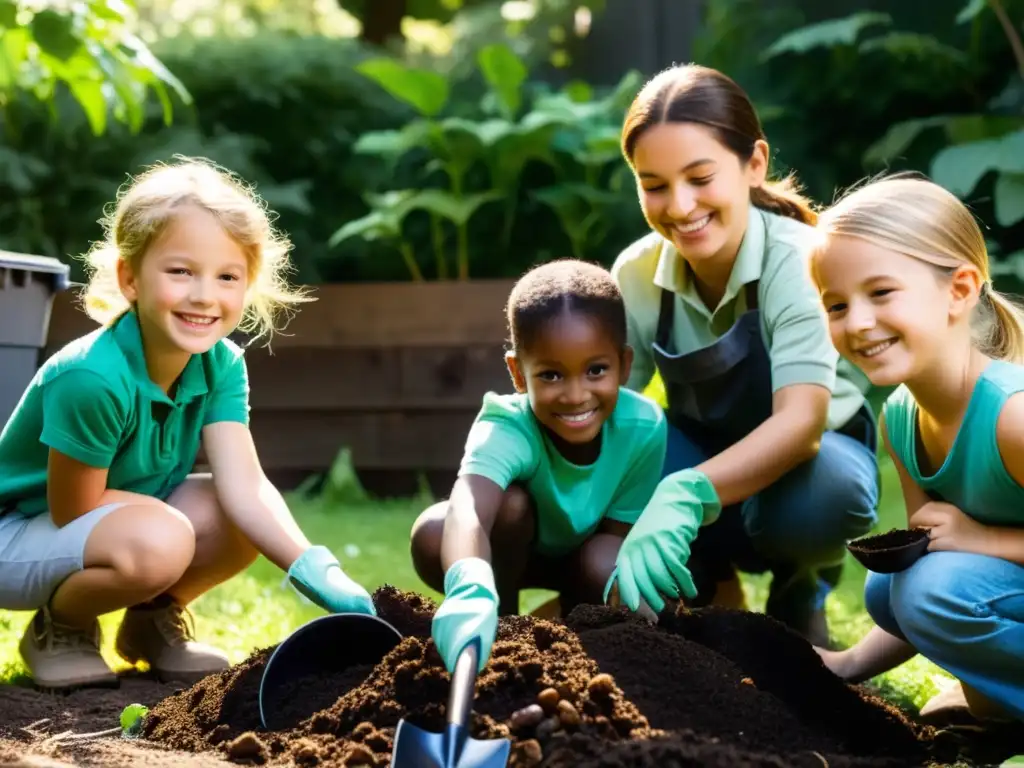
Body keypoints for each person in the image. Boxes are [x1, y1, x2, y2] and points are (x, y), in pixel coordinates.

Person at [0, 157, 377, 691]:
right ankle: (61, 630)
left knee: (232, 515)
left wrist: (315, 568)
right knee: (164, 538)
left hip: (101, 524)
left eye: (227, 277)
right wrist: (171, 530)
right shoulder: (92, 376)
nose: (205, 295)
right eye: (180, 271)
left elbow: (244, 483)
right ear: (130, 279)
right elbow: (73, 508)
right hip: (15, 533)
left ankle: (151, 624)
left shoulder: (220, 363)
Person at [607, 63, 880, 645]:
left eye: (700, 177)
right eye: (653, 185)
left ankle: (802, 583)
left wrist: (683, 493)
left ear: (754, 164)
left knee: (827, 489)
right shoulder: (635, 273)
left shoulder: (800, 260)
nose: (679, 206)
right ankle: (704, 582)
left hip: (805, 469)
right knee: (614, 446)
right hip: (701, 451)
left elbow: (803, 423)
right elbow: (605, 408)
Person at [809, 174, 1024, 723]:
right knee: (893, 584)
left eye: (881, 293)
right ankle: (993, 701)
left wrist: (984, 539)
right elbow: (919, 583)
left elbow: (942, 587)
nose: (857, 323)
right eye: (836, 305)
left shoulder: (1011, 416)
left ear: (959, 289)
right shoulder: (899, 420)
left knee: (931, 586)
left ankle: (993, 704)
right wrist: (845, 665)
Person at [409, 258, 676, 674]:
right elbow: (470, 507)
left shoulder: (643, 428)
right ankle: (501, 628)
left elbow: (618, 538)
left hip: (587, 558)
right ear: (518, 372)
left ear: (624, 365)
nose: (575, 395)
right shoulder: (508, 424)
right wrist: (469, 586)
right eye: (551, 375)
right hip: (512, 553)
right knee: (440, 531)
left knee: (616, 569)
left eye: (596, 370)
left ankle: (574, 633)